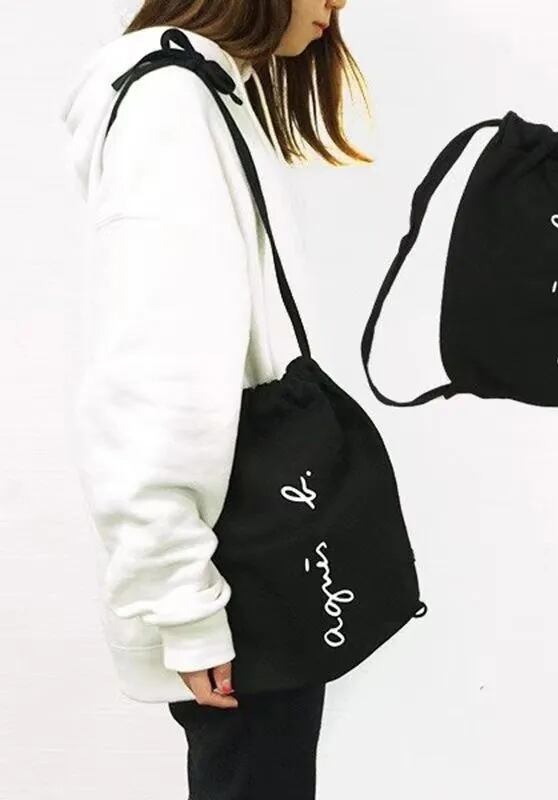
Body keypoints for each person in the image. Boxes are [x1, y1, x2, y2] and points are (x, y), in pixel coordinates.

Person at [59, 1, 364, 796]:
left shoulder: (205, 94)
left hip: (252, 548)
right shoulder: (171, 104)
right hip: (236, 567)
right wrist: (183, 602)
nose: (339, 4)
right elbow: (153, 371)